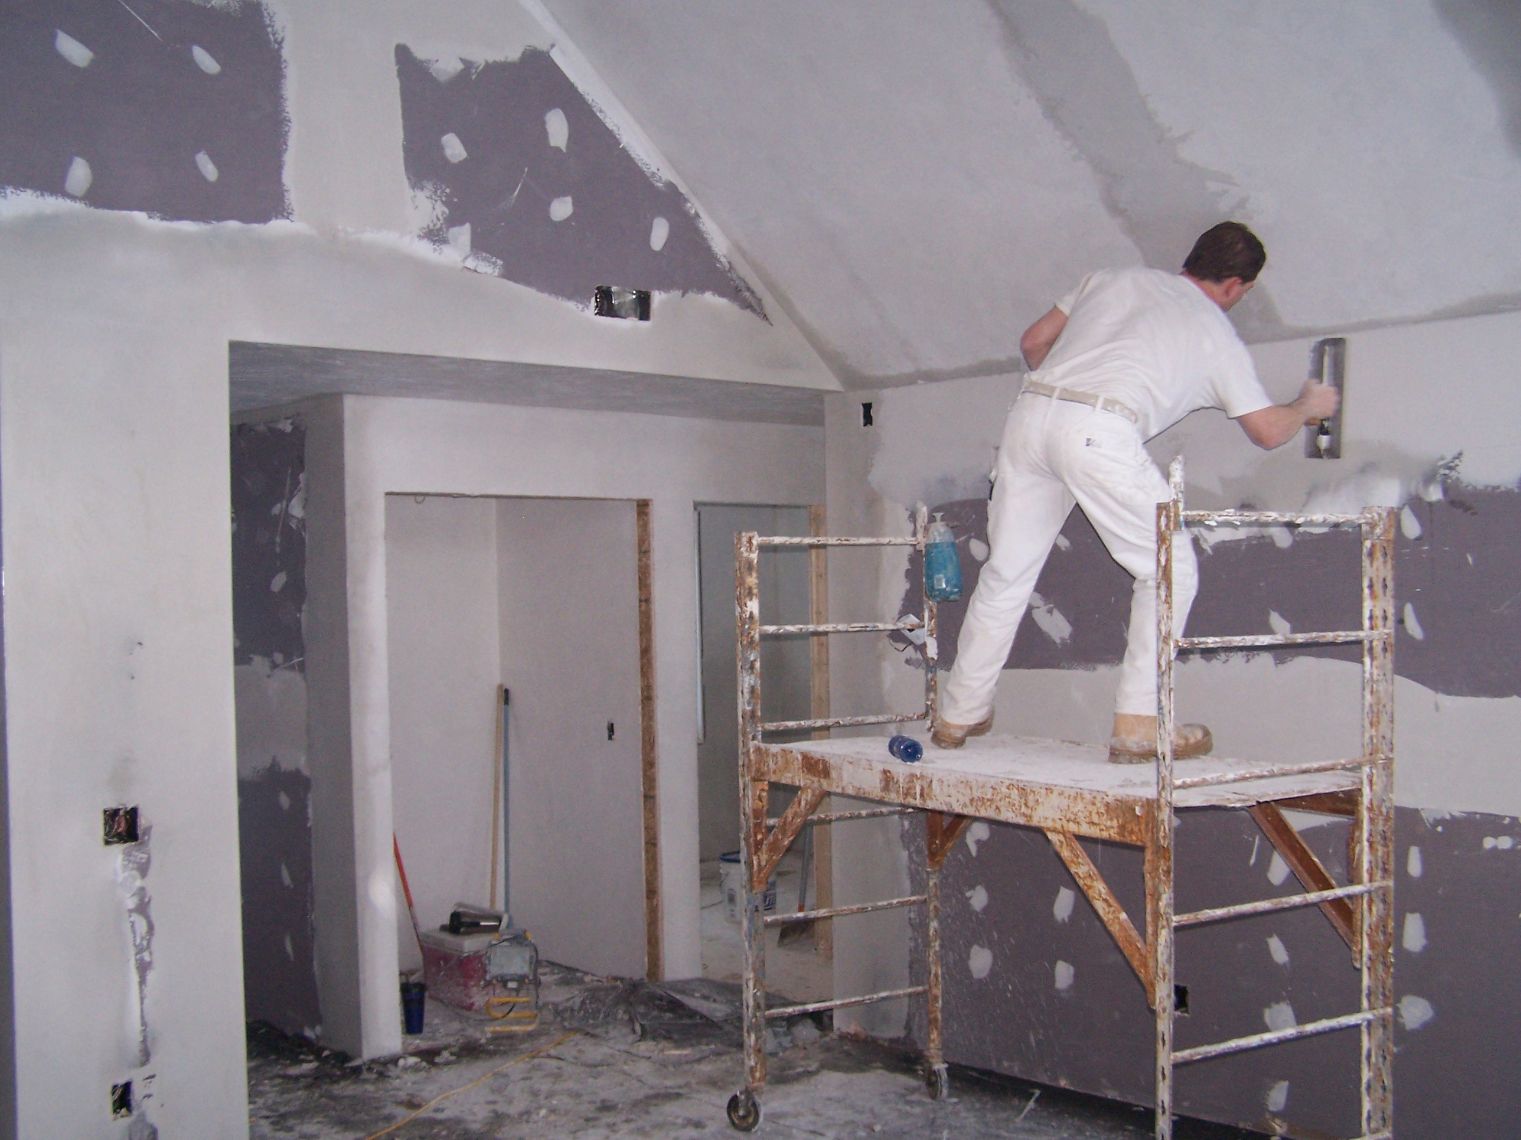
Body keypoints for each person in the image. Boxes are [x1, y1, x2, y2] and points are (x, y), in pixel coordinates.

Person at [931, 221, 1339, 761]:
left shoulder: (1111, 279)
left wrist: (1070, 397)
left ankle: (958, 712)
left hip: (1029, 418)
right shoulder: (1214, 332)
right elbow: (1266, 431)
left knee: (1007, 572)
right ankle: (1140, 723)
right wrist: (1307, 407)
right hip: (1099, 430)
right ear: (1235, 286)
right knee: (1170, 569)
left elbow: (1033, 342)